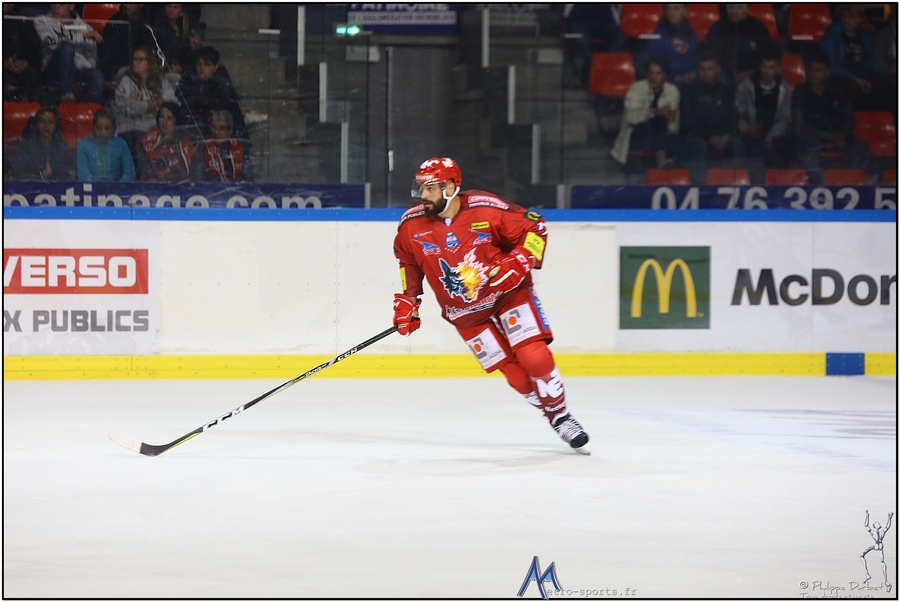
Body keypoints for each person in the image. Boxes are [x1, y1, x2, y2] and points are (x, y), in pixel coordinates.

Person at [392, 158, 590, 454]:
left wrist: (520, 260)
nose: (423, 195)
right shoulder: (411, 224)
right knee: (516, 375)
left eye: (430, 188)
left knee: (534, 358)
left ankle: (561, 416)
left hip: (507, 294)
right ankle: (551, 413)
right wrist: (409, 298)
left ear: (450, 187)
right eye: (421, 188)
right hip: (464, 312)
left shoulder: (486, 208)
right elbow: (407, 259)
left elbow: (535, 228)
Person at [791, 52, 869, 182]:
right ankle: (819, 186)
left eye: (818, 70)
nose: (814, 74)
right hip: (813, 138)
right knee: (806, 147)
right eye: (810, 70)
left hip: (838, 136)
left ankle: (851, 182)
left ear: (827, 73)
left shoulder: (837, 90)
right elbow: (799, 125)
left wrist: (841, 135)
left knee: (861, 146)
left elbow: (849, 118)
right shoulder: (800, 92)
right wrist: (828, 138)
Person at [610, 55, 680, 173]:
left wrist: (670, 126)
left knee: (663, 127)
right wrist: (655, 112)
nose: (654, 77)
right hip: (637, 132)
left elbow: (673, 110)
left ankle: (665, 165)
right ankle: (663, 162)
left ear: (665, 75)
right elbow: (631, 117)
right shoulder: (636, 89)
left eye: (658, 73)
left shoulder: (672, 91)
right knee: (658, 121)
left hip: (663, 134)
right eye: (651, 73)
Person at [735, 48, 794, 177]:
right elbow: (738, 115)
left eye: (771, 67)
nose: (766, 71)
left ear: (778, 68)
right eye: (764, 66)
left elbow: (785, 117)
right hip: (751, 134)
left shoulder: (784, 87)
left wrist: (772, 134)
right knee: (755, 151)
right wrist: (747, 129)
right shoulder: (746, 86)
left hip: (775, 134)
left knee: (791, 147)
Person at [679, 50, 736, 182]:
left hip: (721, 137)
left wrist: (725, 137)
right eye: (702, 69)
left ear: (717, 69)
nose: (706, 73)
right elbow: (688, 121)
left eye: (710, 69)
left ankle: (734, 184)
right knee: (700, 145)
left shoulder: (725, 90)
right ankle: (699, 186)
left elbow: (732, 118)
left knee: (737, 144)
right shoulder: (689, 90)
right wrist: (709, 137)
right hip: (697, 137)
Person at [113, 46, 179, 157]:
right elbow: (131, 107)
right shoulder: (126, 81)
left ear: (149, 63)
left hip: (154, 129)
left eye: (139, 59)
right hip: (130, 129)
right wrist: (156, 104)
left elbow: (173, 103)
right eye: (134, 59)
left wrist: (149, 106)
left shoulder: (161, 82)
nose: (135, 62)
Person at [33, 3, 105, 102]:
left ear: (71, 6)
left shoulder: (85, 27)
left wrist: (85, 66)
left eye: (61, 4)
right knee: (67, 46)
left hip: (77, 71)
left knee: (97, 76)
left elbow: (91, 55)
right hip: (52, 70)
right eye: (54, 3)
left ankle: (89, 109)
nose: (56, 7)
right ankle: (67, 94)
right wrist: (82, 36)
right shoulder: (41, 21)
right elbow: (51, 43)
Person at [178, 46, 248, 141]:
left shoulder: (222, 86)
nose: (201, 68)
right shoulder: (187, 82)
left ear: (215, 68)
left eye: (207, 65)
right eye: (199, 64)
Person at [820, 4, 875, 109]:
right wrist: (854, 78)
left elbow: (871, 61)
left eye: (852, 17)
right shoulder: (832, 34)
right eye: (845, 16)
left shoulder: (865, 36)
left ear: (860, 19)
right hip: (839, 78)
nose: (847, 20)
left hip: (862, 76)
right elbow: (829, 63)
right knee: (852, 90)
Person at [704, 3, 773, 83]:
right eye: (731, 7)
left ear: (748, 8)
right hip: (723, 74)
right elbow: (709, 53)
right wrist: (718, 69)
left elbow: (768, 55)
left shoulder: (758, 28)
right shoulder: (717, 28)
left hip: (752, 74)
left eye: (739, 7)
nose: (734, 11)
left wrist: (752, 72)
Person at [12, 106, 77, 181]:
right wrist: (40, 175)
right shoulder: (26, 145)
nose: (46, 126)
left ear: (56, 125)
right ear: (37, 123)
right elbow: (19, 172)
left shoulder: (63, 148)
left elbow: (68, 175)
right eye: (42, 121)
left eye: (50, 122)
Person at [137, 102, 196, 182]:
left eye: (169, 118)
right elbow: (143, 162)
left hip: (179, 185)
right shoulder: (151, 136)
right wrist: (161, 143)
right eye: (162, 117)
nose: (164, 122)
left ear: (176, 121)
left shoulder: (185, 142)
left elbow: (186, 172)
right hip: (153, 184)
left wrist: (174, 142)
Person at [76, 108, 136, 181]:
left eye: (107, 128)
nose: (102, 133)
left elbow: (130, 173)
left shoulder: (120, 144)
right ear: (93, 126)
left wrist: (118, 185)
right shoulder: (83, 145)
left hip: (116, 186)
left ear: (113, 128)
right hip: (91, 187)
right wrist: (98, 186)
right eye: (98, 128)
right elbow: (83, 176)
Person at [648, 3, 700, 85]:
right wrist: (675, 78)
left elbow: (696, 58)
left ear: (685, 11)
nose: (671, 12)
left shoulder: (691, 32)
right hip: (669, 82)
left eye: (676, 8)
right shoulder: (658, 34)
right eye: (668, 8)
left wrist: (695, 74)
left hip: (693, 80)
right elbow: (657, 65)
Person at [98, 3, 153, 81]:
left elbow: (150, 49)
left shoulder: (147, 23)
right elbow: (108, 56)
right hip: (118, 69)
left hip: (142, 66)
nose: (125, 5)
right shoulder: (115, 22)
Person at [3, 4, 44, 101]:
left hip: (21, 69)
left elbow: (33, 50)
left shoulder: (22, 22)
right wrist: (5, 64)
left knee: (32, 75)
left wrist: (25, 62)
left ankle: (36, 108)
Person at [196, 110, 252, 182]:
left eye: (221, 129)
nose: (216, 132)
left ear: (230, 130)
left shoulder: (240, 146)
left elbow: (248, 175)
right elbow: (200, 178)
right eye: (214, 128)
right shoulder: (203, 147)